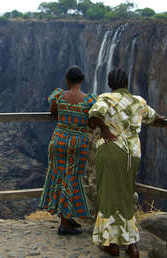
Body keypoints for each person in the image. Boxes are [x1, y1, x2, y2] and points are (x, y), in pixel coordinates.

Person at [89, 68, 166, 257]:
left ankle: (110, 244)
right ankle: (132, 245)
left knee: (108, 196)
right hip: (133, 153)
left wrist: (105, 130)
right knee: (126, 196)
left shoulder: (105, 98)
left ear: (110, 84)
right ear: (126, 84)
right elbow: (154, 117)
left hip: (111, 150)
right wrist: (161, 119)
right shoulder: (138, 102)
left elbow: (94, 115)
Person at [39, 66, 96, 235]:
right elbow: (92, 124)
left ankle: (67, 216)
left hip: (59, 141)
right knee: (71, 179)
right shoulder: (89, 101)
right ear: (82, 80)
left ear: (67, 80)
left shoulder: (58, 96)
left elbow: (53, 112)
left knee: (59, 177)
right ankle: (65, 223)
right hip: (78, 144)